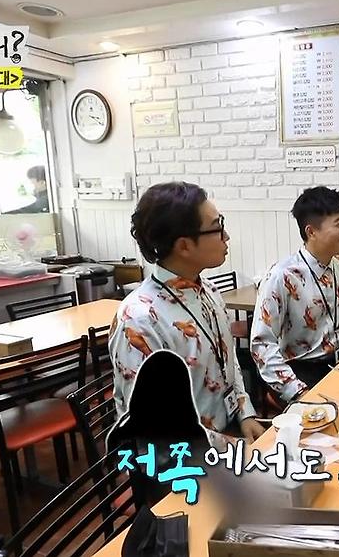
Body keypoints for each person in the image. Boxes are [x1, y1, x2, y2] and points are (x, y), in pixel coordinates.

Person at [109, 181, 264, 446]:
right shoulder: (139, 321)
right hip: (177, 458)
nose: (226, 236)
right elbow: (158, 428)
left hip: (225, 435)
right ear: (184, 246)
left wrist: (245, 412)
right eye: (218, 227)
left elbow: (228, 362)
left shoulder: (209, 291)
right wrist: (234, 447)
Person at [250, 186, 339, 403]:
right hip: (299, 374)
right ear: (311, 232)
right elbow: (262, 345)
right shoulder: (282, 276)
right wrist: (298, 392)